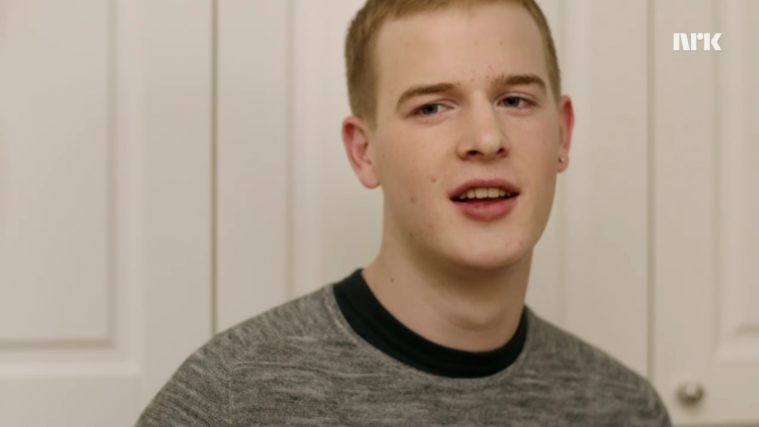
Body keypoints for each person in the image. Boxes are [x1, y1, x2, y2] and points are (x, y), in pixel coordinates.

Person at [137, 0, 672, 425]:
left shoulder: (625, 409)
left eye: (514, 100)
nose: (487, 138)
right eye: (432, 107)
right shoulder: (230, 399)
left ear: (563, 134)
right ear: (363, 152)